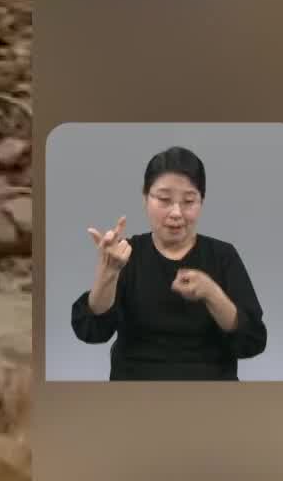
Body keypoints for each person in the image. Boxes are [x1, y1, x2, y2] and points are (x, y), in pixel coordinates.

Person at [71, 146, 268, 380]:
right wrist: (108, 271)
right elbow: (93, 332)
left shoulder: (222, 255)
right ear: (145, 198)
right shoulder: (126, 254)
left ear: (202, 202)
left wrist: (212, 293)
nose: (176, 212)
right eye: (164, 199)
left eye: (188, 201)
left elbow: (252, 341)